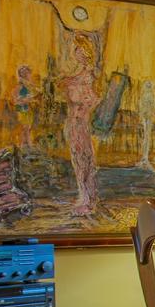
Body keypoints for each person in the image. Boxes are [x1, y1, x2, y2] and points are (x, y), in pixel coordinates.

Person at [58, 35, 101, 217]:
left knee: (83, 160)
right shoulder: (79, 75)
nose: (77, 53)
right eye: (76, 50)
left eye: (80, 49)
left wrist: (71, 89)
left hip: (80, 123)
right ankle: (86, 197)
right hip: (75, 122)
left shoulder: (88, 76)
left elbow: (92, 98)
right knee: (80, 160)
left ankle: (87, 199)